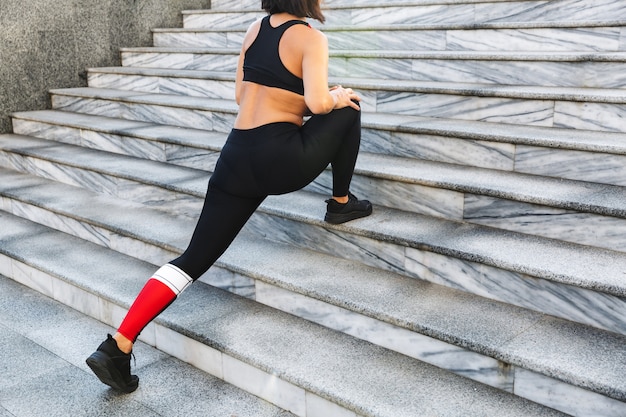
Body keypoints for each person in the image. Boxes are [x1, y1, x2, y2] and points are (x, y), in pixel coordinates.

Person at [86, 0, 372, 393]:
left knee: (191, 259)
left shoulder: (255, 30)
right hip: (281, 159)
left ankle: (117, 344)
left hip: (236, 157)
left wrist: (293, 97)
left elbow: (242, 95)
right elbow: (320, 105)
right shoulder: (310, 38)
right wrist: (338, 95)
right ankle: (341, 203)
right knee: (349, 108)